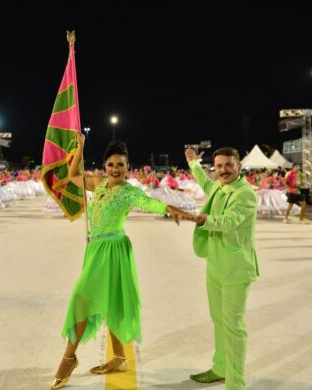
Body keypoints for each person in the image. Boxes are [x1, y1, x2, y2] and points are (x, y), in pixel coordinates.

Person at [50, 133, 194, 390]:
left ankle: (69, 358)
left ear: (128, 167)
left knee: (82, 299)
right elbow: (73, 176)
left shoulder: (129, 192)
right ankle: (118, 357)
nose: (115, 169)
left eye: (120, 164)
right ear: (104, 167)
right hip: (95, 249)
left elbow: (150, 202)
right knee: (110, 301)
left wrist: (171, 209)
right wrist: (80, 148)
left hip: (113, 250)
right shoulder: (99, 184)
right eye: (110, 164)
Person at [185, 146, 259, 390]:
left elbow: (230, 221)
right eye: (219, 166)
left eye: (228, 165)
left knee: (234, 327)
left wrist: (204, 220)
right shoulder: (218, 185)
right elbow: (207, 185)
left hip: (236, 269)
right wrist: (194, 165)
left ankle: (235, 383)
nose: (223, 170)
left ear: (239, 165)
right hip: (215, 265)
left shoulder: (245, 193)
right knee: (219, 321)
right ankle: (220, 368)